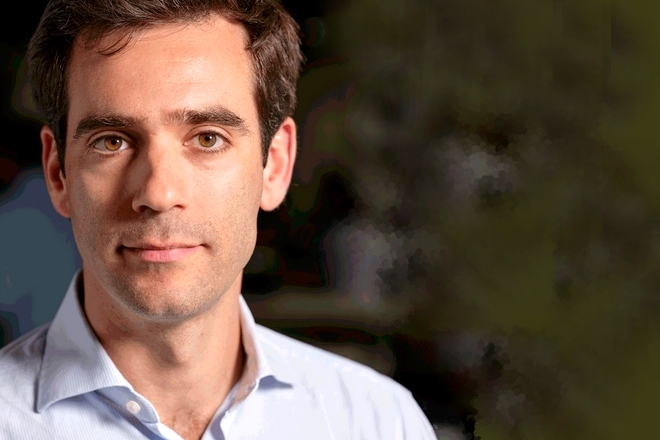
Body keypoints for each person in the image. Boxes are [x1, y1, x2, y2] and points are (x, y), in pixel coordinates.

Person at [0, 1, 436, 439]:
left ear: (275, 165)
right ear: (57, 173)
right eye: (112, 141)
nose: (159, 194)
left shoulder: (379, 422)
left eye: (208, 138)